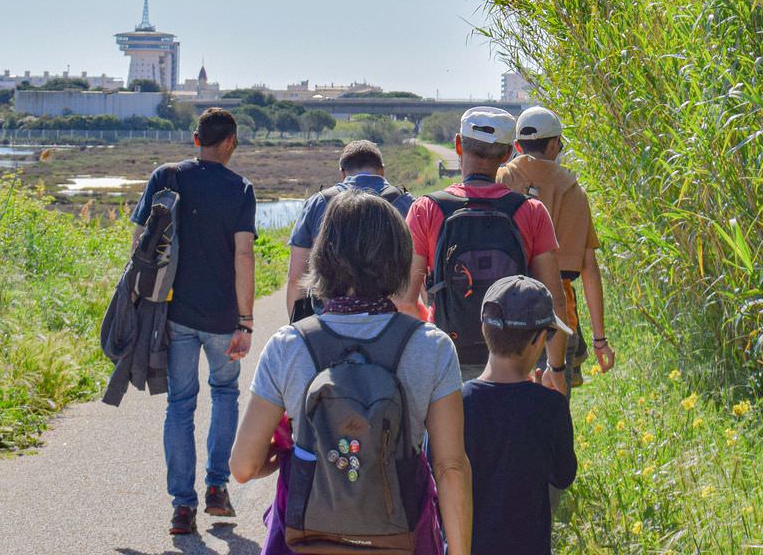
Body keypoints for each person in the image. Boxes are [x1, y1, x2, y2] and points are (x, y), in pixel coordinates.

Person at [232, 190, 472, 555]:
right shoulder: (430, 347)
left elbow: (243, 466)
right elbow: (450, 466)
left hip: (306, 538)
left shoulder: (288, 345)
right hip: (402, 535)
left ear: (323, 257)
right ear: (398, 258)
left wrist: (290, 453)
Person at [130, 107, 257, 536]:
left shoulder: (166, 176)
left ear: (195, 139)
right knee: (225, 394)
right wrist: (246, 320)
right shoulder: (240, 188)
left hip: (174, 311)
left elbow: (139, 244)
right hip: (223, 317)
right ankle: (216, 489)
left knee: (180, 405)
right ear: (231, 143)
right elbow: (243, 255)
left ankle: (182, 509)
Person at [406, 107, 570, 386]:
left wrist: (432, 331)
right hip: (512, 360)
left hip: (448, 354)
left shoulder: (426, 209)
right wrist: (556, 367)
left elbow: (406, 300)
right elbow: (555, 300)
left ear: (458, 145)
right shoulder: (531, 211)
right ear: (508, 154)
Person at [499, 106, 616, 386]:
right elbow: (588, 269)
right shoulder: (574, 191)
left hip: (503, 314)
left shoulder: (499, 181)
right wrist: (600, 340)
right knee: (553, 415)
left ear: (516, 146)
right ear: (554, 144)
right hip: (558, 320)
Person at [463, 276, 577, 555]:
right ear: (538, 340)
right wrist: (556, 402)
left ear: (483, 329)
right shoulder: (549, 406)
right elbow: (563, 476)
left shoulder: (457, 402)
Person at [284, 139, 416, 321]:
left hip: (328, 318)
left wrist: (297, 325)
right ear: (382, 170)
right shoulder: (407, 203)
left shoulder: (319, 202)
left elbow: (296, 277)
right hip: (389, 320)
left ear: (342, 173)